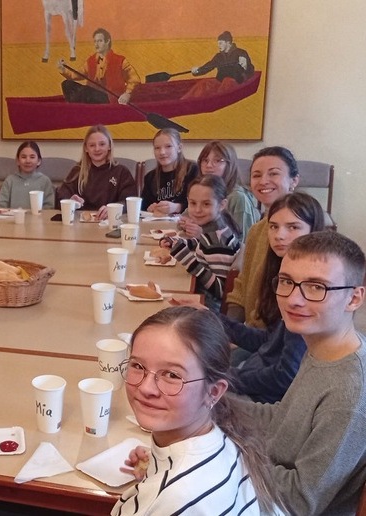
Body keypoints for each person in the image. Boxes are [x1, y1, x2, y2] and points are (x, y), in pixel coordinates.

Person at [233, 231, 366, 514]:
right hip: (264, 478)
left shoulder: (348, 395)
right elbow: (284, 417)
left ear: (354, 298)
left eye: (317, 287)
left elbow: (299, 500)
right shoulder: (324, 347)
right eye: (286, 282)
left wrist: (230, 457)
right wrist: (214, 404)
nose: (294, 299)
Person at [113, 307, 284, 515]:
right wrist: (156, 467)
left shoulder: (176, 498)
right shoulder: (224, 436)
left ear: (214, 391)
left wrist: (164, 482)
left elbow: (179, 498)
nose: (146, 388)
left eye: (172, 375)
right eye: (138, 366)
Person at [222, 193, 326, 403]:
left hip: (269, 400)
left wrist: (229, 379)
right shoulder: (281, 274)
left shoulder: (309, 292)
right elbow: (270, 342)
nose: (279, 235)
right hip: (257, 371)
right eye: (273, 227)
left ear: (313, 231)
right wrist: (216, 320)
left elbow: (285, 376)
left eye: (293, 227)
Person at [226, 146, 300, 327]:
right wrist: (228, 329)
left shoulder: (301, 234)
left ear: (294, 181)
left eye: (273, 174)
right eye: (257, 175)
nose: (263, 181)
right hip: (250, 331)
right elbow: (242, 286)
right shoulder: (257, 230)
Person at [161, 175, 241, 311]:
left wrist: (187, 259)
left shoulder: (217, 242)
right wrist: (177, 243)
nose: (197, 210)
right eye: (193, 203)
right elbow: (202, 244)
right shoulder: (215, 229)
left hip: (207, 306)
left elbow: (220, 290)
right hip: (200, 297)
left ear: (222, 205)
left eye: (206, 204)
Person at [55, 124, 137, 218]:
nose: (97, 149)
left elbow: (130, 202)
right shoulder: (77, 171)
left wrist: (114, 208)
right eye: (92, 145)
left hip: (110, 221)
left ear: (109, 146)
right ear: (86, 148)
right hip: (81, 223)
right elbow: (61, 198)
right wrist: (69, 201)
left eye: (102, 144)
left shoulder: (121, 172)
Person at [190, 141, 260, 240]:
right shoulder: (201, 190)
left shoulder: (238, 198)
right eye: (205, 160)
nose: (209, 165)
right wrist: (185, 222)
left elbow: (246, 241)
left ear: (230, 165)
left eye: (217, 160)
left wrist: (203, 236)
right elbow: (186, 216)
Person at [57, 28, 140, 105]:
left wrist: (127, 94)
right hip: (91, 95)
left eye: (100, 41)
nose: (96, 44)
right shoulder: (90, 61)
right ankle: (75, 106)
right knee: (66, 84)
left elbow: (134, 79)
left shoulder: (120, 61)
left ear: (107, 41)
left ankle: (75, 105)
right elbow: (76, 75)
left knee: (85, 90)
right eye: (95, 41)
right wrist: (63, 70)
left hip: (110, 98)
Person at [141, 128, 199, 217]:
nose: (162, 152)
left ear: (179, 148)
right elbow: (143, 207)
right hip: (157, 223)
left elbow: (200, 203)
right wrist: (150, 208)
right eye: (157, 148)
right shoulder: (150, 177)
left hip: (186, 221)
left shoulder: (193, 170)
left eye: (168, 146)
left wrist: (177, 207)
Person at [0, 141, 55, 210]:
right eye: (23, 157)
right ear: (18, 161)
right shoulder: (10, 180)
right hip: (13, 216)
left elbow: (49, 207)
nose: (28, 161)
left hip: (39, 217)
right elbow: (1, 205)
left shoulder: (45, 181)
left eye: (32, 157)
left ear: (39, 161)